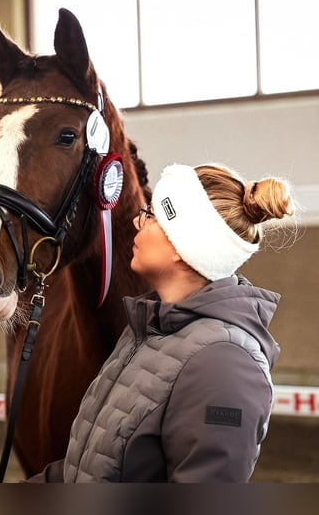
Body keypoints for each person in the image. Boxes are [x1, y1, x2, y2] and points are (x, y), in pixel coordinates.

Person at [28, 162, 297, 483]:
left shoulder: (224, 365)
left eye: (152, 214)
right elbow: (86, 471)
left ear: (182, 244)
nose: (136, 221)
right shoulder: (147, 330)